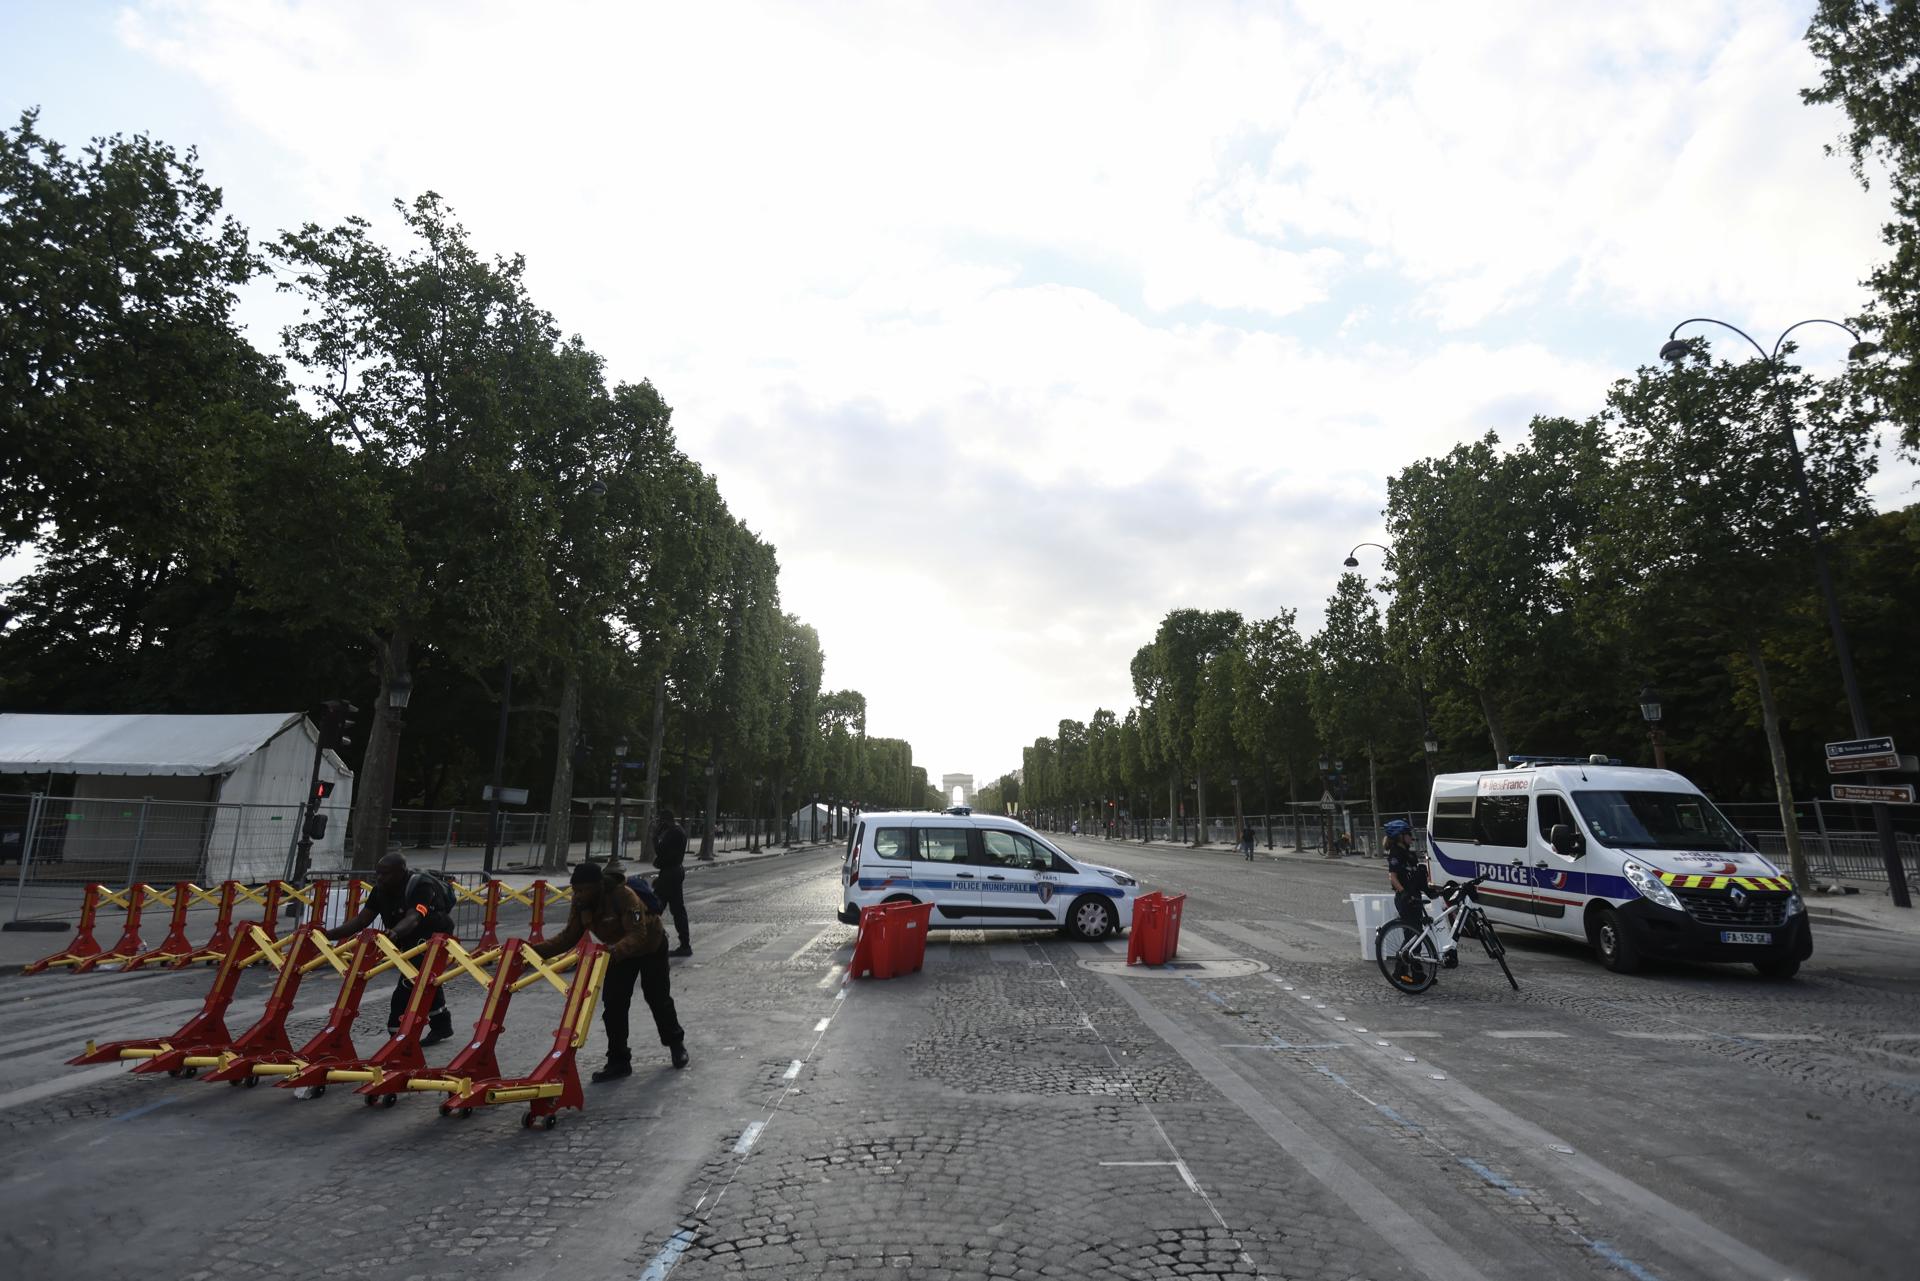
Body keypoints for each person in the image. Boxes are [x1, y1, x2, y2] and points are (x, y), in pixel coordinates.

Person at [533, 862, 686, 1079]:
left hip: (650, 947)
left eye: (583, 890)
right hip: (617, 953)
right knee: (613, 1006)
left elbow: (638, 934)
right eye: (575, 890)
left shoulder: (624, 896)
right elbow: (568, 937)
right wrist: (532, 952)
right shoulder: (580, 903)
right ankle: (618, 1061)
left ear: (598, 886)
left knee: (657, 997)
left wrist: (613, 952)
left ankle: (676, 1043)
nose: (578, 894)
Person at [323, 852, 457, 1045]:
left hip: (433, 936)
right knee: (426, 980)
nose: (380, 878)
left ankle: (397, 1037)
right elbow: (362, 920)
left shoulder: (421, 887)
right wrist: (327, 935)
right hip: (408, 937)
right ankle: (442, 1026)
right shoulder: (380, 890)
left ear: (401, 872)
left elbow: (414, 918)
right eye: (378, 873)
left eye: (385, 874)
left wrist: (394, 932)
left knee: (408, 985)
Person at [652, 807, 692, 957]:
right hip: (674, 871)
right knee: (677, 909)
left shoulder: (673, 832)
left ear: (665, 820)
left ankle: (649, 938)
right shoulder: (678, 831)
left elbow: (660, 851)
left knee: (655, 906)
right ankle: (685, 943)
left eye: (661, 822)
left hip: (670, 873)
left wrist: (655, 837)